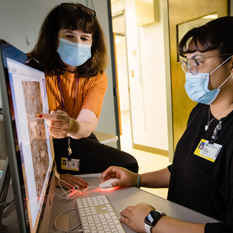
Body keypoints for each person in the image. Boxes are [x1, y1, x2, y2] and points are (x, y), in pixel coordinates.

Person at [99, 16, 233, 233]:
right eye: (187, 62)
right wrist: (137, 178)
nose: (190, 72)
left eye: (198, 62)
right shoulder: (202, 110)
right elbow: (185, 169)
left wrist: (153, 222)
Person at [30, 3, 138, 189]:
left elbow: (86, 124)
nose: (77, 43)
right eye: (69, 36)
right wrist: (54, 176)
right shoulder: (30, 66)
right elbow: (23, 134)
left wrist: (69, 125)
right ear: (54, 36)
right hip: (39, 143)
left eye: (84, 38)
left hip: (75, 135)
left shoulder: (96, 76)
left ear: (93, 42)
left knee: (127, 165)